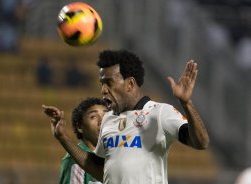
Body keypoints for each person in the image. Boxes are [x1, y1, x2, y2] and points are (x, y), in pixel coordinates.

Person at [42, 49, 210, 184]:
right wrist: (63, 137)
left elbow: (201, 142)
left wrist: (186, 103)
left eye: (108, 83)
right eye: (102, 84)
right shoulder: (108, 121)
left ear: (130, 84)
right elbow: (101, 170)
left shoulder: (159, 113)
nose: (103, 90)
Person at [43, 97, 107, 184]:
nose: (102, 121)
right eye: (93, 117)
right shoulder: (75, 162)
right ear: (79, 127)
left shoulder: (115, 155)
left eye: (106, 115)